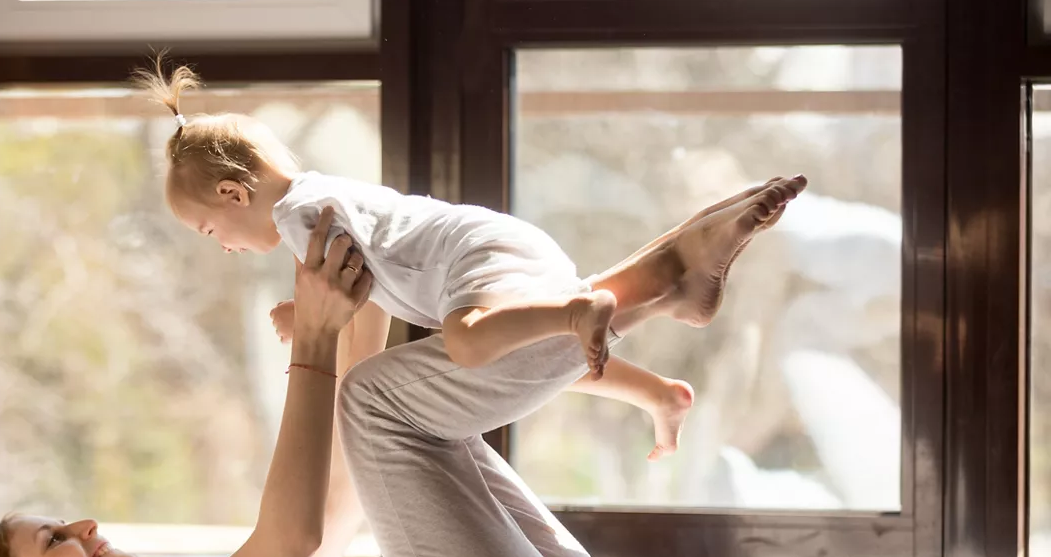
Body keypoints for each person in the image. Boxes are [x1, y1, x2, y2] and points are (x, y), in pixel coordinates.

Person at [0, 166, 804, 557]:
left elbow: (339, 502)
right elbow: (290, 537)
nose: (83, 525)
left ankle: (657, 285)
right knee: (383, 405)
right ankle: (652, 285)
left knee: (419, 408)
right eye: (55, 538)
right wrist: (314, 345)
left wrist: (350, 296)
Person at [136, 60, 807, 460]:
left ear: (235, 193)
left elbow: (345, 299)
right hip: (491, 241)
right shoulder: (317, 198)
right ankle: (657, 385)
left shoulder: (296, 218)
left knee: (466, 341)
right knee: (522, 356)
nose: (220, 244)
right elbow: (358, 289)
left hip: (472, 258)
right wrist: (312, 316)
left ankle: (581, 309)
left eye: (210, 229)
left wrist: (307, 324)